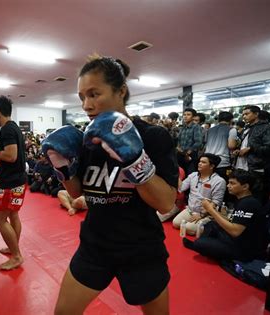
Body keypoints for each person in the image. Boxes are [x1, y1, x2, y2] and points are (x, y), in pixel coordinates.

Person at [43, 55, 178, 315]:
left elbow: (166, 203)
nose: (86, 104)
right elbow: (77, 193)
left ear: (121, 91)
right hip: (95, 245)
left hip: (141, 249)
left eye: (94, 94)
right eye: (82, 96)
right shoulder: (88, 140)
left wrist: (134, 157)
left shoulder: (152, 136)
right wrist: (63, 168)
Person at [183, 170, 267, 262]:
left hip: (244, 248)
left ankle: (204, 247)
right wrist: (213, 211)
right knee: (211, 224)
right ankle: (206, 246)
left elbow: (235, 231)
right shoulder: (243, 200)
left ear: (245, 186)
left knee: (200, 243)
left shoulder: (248, 203)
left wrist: (210, 209)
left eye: (232, 183)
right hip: (239, 239)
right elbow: (233, 222)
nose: (228, 186)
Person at [0, 96, 27, 270]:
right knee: (13, 215)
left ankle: (17, 256)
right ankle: (13, 248)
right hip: (18, 180)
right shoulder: (14, 127)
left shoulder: (6, 130)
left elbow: (11, 156)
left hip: (10, 182)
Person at [173, 154, 226, 235]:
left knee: (188, 228)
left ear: (211, 166)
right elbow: (181, 188)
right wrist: (178, 174)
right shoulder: (193, 175)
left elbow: (216, 202)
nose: (199, 163)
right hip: (190, 210)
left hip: (206, 214)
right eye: (199, 161)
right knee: (176, 223)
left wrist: (201, 215)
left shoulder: (219, 181)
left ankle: (211, 225)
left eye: (203, 162)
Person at [233, 105, 270, 202]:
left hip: (255, 168)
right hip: (241, 166)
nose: (244, 116)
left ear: (256, 114)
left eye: (247, 114)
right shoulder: (247, 128)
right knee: (241, 196)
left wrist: (251, 149)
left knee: (255, 197)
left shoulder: (266, 127)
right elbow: (244, 145)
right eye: (243, 114)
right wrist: (238, 150)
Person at [204, 111, 238, 182]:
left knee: (209, 184)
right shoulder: (232, 130)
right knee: (221, 184)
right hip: (222, 162)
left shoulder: (209, 130)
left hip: (208, 161)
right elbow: (231, 146)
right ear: (231, 120)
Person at [177, 108, 203, 175]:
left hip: (191, 155)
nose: (185, 116)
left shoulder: (196, 127)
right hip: (180, 154)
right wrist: (178, 147)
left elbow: (198, 142)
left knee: (190, 175)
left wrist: (188, 152)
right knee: (181, 174)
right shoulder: (182, 127)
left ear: (193, 117)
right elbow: (179, 140)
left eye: (188, 115)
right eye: (184, 114)